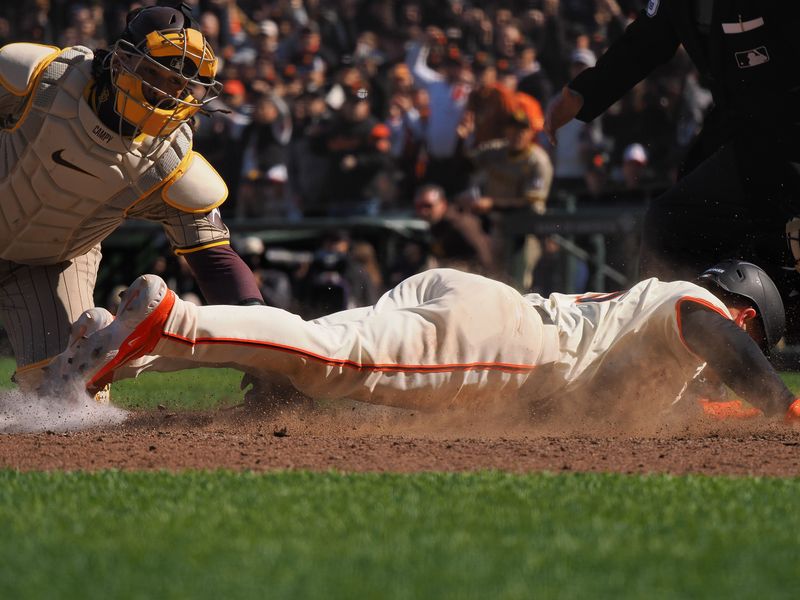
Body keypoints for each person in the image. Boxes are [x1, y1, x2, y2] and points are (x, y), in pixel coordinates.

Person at [41, 259, 800, 426]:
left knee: (325, 358)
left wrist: (736, 411)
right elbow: (714, 336)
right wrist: (780, 405)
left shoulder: (649, 346)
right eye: (753, 337)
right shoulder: (697, 308)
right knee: (337, 361)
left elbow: (686, 406)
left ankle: (116, 342)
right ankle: (170, 320)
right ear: (745, 314)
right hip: (514, 341)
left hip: (478, 309)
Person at [0, 2, 264, 395]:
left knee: (66, 402)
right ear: (123, 58)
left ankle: (108, 346)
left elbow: (214, 259)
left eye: (179, 85)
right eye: (156, 74)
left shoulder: (169, 161)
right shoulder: (40, 78)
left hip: (49, 266)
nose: (167, 92)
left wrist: (263, 343)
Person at [543, 2, 800, 341]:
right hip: (744, 141)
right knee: (671, 226)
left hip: (790, 140)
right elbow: (646, 41)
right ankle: (662, 363)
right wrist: (581, 93)